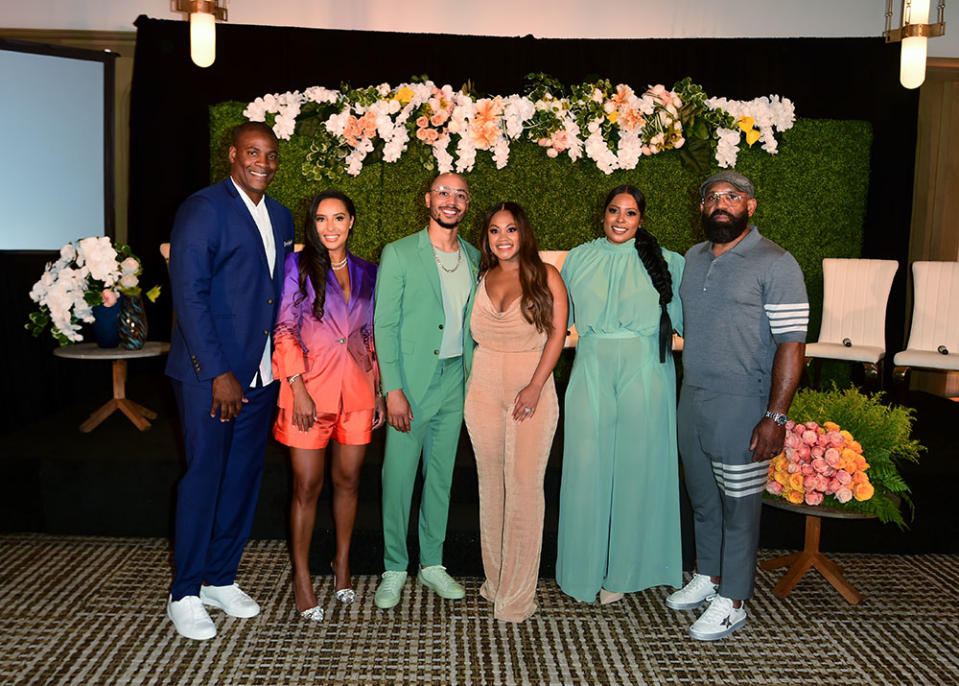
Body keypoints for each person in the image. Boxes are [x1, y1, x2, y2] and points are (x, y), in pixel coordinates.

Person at [165, 122, 295, 640]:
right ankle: (185, 593)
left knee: (242, 479)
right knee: (204, 478)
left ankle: (220, 577)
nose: (262, 162)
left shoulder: (281, 214)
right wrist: (218, 372)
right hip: (212, 379)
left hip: (261, 377)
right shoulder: (203, 208)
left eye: (270, 154)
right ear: (232, 155)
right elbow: (190, 295)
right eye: (253, 152)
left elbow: (276, 297)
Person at [667, 170, 807, 641]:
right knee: (704, 499)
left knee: (740, 505)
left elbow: (792, 344)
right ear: (702, 207)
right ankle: (709, 577)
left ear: (750, 205)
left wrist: (775, 417)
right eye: (712, 197)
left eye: (732, 196)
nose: (720, 204)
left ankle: (734, 601)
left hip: (745, 402)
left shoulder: (776, 262)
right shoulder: (693, 257)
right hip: (694, 397)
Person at [556, 185, 685, 605]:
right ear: (602, 213)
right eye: (614, 210)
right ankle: (582, 569)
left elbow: (686, 329)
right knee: (585, 468)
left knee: (634, 473)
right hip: (591, 367)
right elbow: (561, 326)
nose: (620, 219)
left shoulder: (669, 262)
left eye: (630, 213)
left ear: (641, 219)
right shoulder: (577, 259)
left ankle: (624, 572)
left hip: (645, 372)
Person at [271, 190, 386, 622]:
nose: (330, 227)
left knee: (350, 480)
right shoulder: (296, 268)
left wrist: (377, 388)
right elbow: (284, 328)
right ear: (313, 225)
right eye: (322, 219)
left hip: (356, 393)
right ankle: (301, 576)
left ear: (352, 222)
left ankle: (342, 565)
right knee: (306, 486)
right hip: (307, 393)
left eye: (339, 218)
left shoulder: (370, 272)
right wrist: (297, 387)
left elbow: (371, 335)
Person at [372, 172, 481, 609]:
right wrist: (392, 389)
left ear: (467, 204)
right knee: (397, 479)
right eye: (443, 193)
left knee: (440, 478)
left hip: (456, 380)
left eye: (459, 194)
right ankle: (394, 567)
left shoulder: (475, 255)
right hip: (412, 384)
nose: (450, 201)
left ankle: (432, 563)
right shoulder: (399, 253)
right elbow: (385, 324)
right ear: (428, 199)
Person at [463, 202, 567, 622]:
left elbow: (558, 334)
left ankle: (518, 597)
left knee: (524, 488)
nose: (502, 238)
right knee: (492, 488)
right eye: (493, 231)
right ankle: (497, 581)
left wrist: (536, 385)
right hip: (483, 389)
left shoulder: (547, 275)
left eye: (510, 230)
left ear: (524, 233)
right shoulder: (481, 276)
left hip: (532, 388)